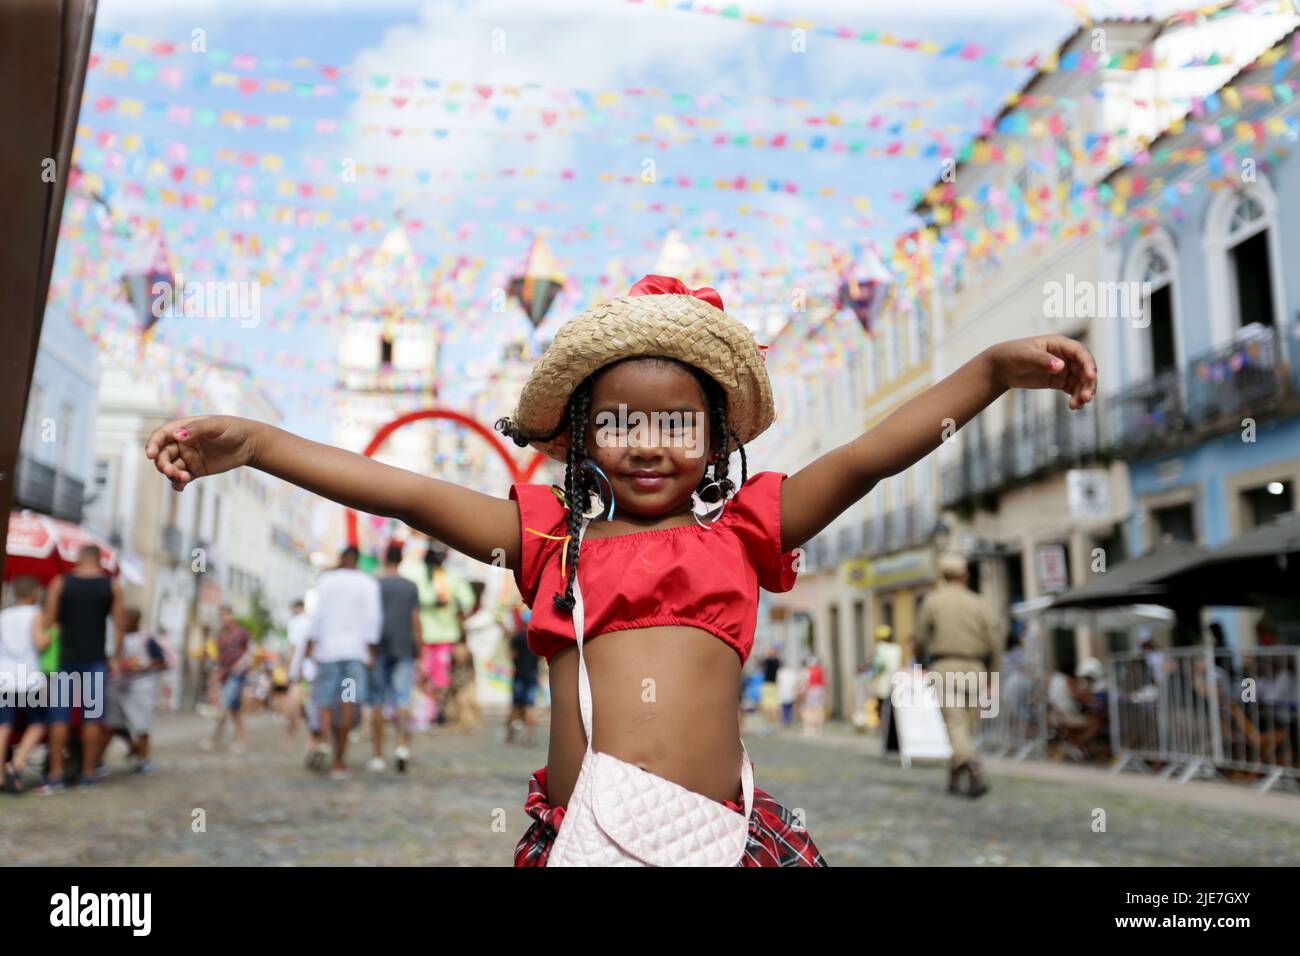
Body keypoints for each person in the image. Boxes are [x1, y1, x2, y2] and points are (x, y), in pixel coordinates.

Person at [145, 274, 1096, 866]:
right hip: (581, 842)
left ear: (718, 437)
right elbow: (403, 492)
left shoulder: (748, 529)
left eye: (676, 422)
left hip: (718, 845)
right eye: (620, 422)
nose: (647, 444)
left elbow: (873, 455)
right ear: (581, 437)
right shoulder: (547, 539)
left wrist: (988, 373)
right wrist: (262, 443)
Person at [915, 552, 1003, 799]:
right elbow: (995, 641)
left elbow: (921, 638)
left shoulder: (932, 602)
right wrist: (993, 675)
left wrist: (922, 663)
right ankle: (954, 776)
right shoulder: (980, 603)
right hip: (975, 669)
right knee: (966, 726)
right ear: (966, 575)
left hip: (944, 666)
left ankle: (972, 766)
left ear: (943, 575)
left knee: (955, 725)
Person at [41, 544, 126, 791]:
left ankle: (55, 775)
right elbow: (119, 625)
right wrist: (116, 657)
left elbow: (48, 621)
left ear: (78, 559)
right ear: (100, 561)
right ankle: (89, 775)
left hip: (64, 661)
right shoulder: (111, 586)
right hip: (96, 660)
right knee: (91, 718)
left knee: (59, 717)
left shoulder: (60, 583)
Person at [306, 546, 381, 780]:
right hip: (354, 653)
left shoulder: (327, 580)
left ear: (341, 559)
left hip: (328, 651)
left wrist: (311, 643)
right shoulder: (367, 583)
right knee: (348, 703)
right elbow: (373, 618)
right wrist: (370, 650)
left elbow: (316, 614)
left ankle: (326, 743)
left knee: (325, 702)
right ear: (358, 561)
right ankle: (340, 761)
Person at [409, 543, 475, 726]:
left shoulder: (448, 576)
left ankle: (436, 711)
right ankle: (429, 712)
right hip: (426, 636)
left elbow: (467, 601)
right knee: (426, 675)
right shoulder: (419, 573)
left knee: (439, 677)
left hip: (443, 637)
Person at [370, 543, 421, 773]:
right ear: (400, 560)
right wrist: (419, 647)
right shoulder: (410, 587)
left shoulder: (375, 584)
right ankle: (401, 748)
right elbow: (415, 620)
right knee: (402, 701)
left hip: (379, 647)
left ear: (384, 558)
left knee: (378, 702)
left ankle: (378, 756)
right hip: (404, 648)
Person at [1, 576, 53, 793]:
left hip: (3, 677)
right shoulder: (35, 614)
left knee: (3, 725)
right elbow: (40, 643)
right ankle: (16, 764)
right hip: (28, 679)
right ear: (36, 594)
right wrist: (51, 637)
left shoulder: (3, 615)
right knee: (38, 722)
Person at [106, 607, 167, 774]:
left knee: (142, 725)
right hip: (118, 685)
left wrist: (144, 667)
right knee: (111, 724)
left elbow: (162, 662)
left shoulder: (146, 639)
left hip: (141, 686)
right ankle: (127, 750)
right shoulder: (115, 639)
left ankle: (144, 759)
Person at [201, 605, 252, 753]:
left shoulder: (241, 633)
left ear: (231, 615)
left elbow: (250, 653)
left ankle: (213, 740)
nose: (223, 619)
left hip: (237, 674)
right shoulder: (220, 636)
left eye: (225, 615)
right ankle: (242, 740)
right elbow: (217, 657)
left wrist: (239, 667)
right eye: (221, 616)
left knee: (223, 706)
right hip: (225, 675)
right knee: (234, 710)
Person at [286, 598, 326, 769]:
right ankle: (313, 744)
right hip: (313, 676)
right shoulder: (311, 622)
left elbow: (295, 648)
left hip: (313, 676)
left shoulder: (300, 623)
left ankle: (313, 744)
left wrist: (293, 671)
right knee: (312, 712)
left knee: (312, 712)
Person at [506, 606, 539, 747]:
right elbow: (540, 656)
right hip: (532, 674)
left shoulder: (518, 637)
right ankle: (529, 737)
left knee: (515, 706)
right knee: (530, 706)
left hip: (519, 674)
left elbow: (512, 655)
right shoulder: (536, 637)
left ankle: (510, 737)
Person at [868, 624, 902, 736]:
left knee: (881, 707)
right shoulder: (897, 648)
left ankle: (882, 728)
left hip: (882, 682)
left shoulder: (880, 648)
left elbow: (878, 666)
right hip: (896, 682)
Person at [799, 655, 827, 737]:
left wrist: (803, 692)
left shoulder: (808, 671)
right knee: (818, 709)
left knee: (808, 710)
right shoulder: (820, 671)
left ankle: (809, 728)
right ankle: (817, 728)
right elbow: (823, 682)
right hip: (819, 690)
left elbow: (805, 683)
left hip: (810, 690)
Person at [758, 645, 782, 734]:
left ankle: (768, 725)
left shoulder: (767, 661)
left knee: (767, 707)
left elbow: (760, 664)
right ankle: (773, 725)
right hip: (774, 685)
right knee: (774, 707)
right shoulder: (777, 661)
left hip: (767, 685)